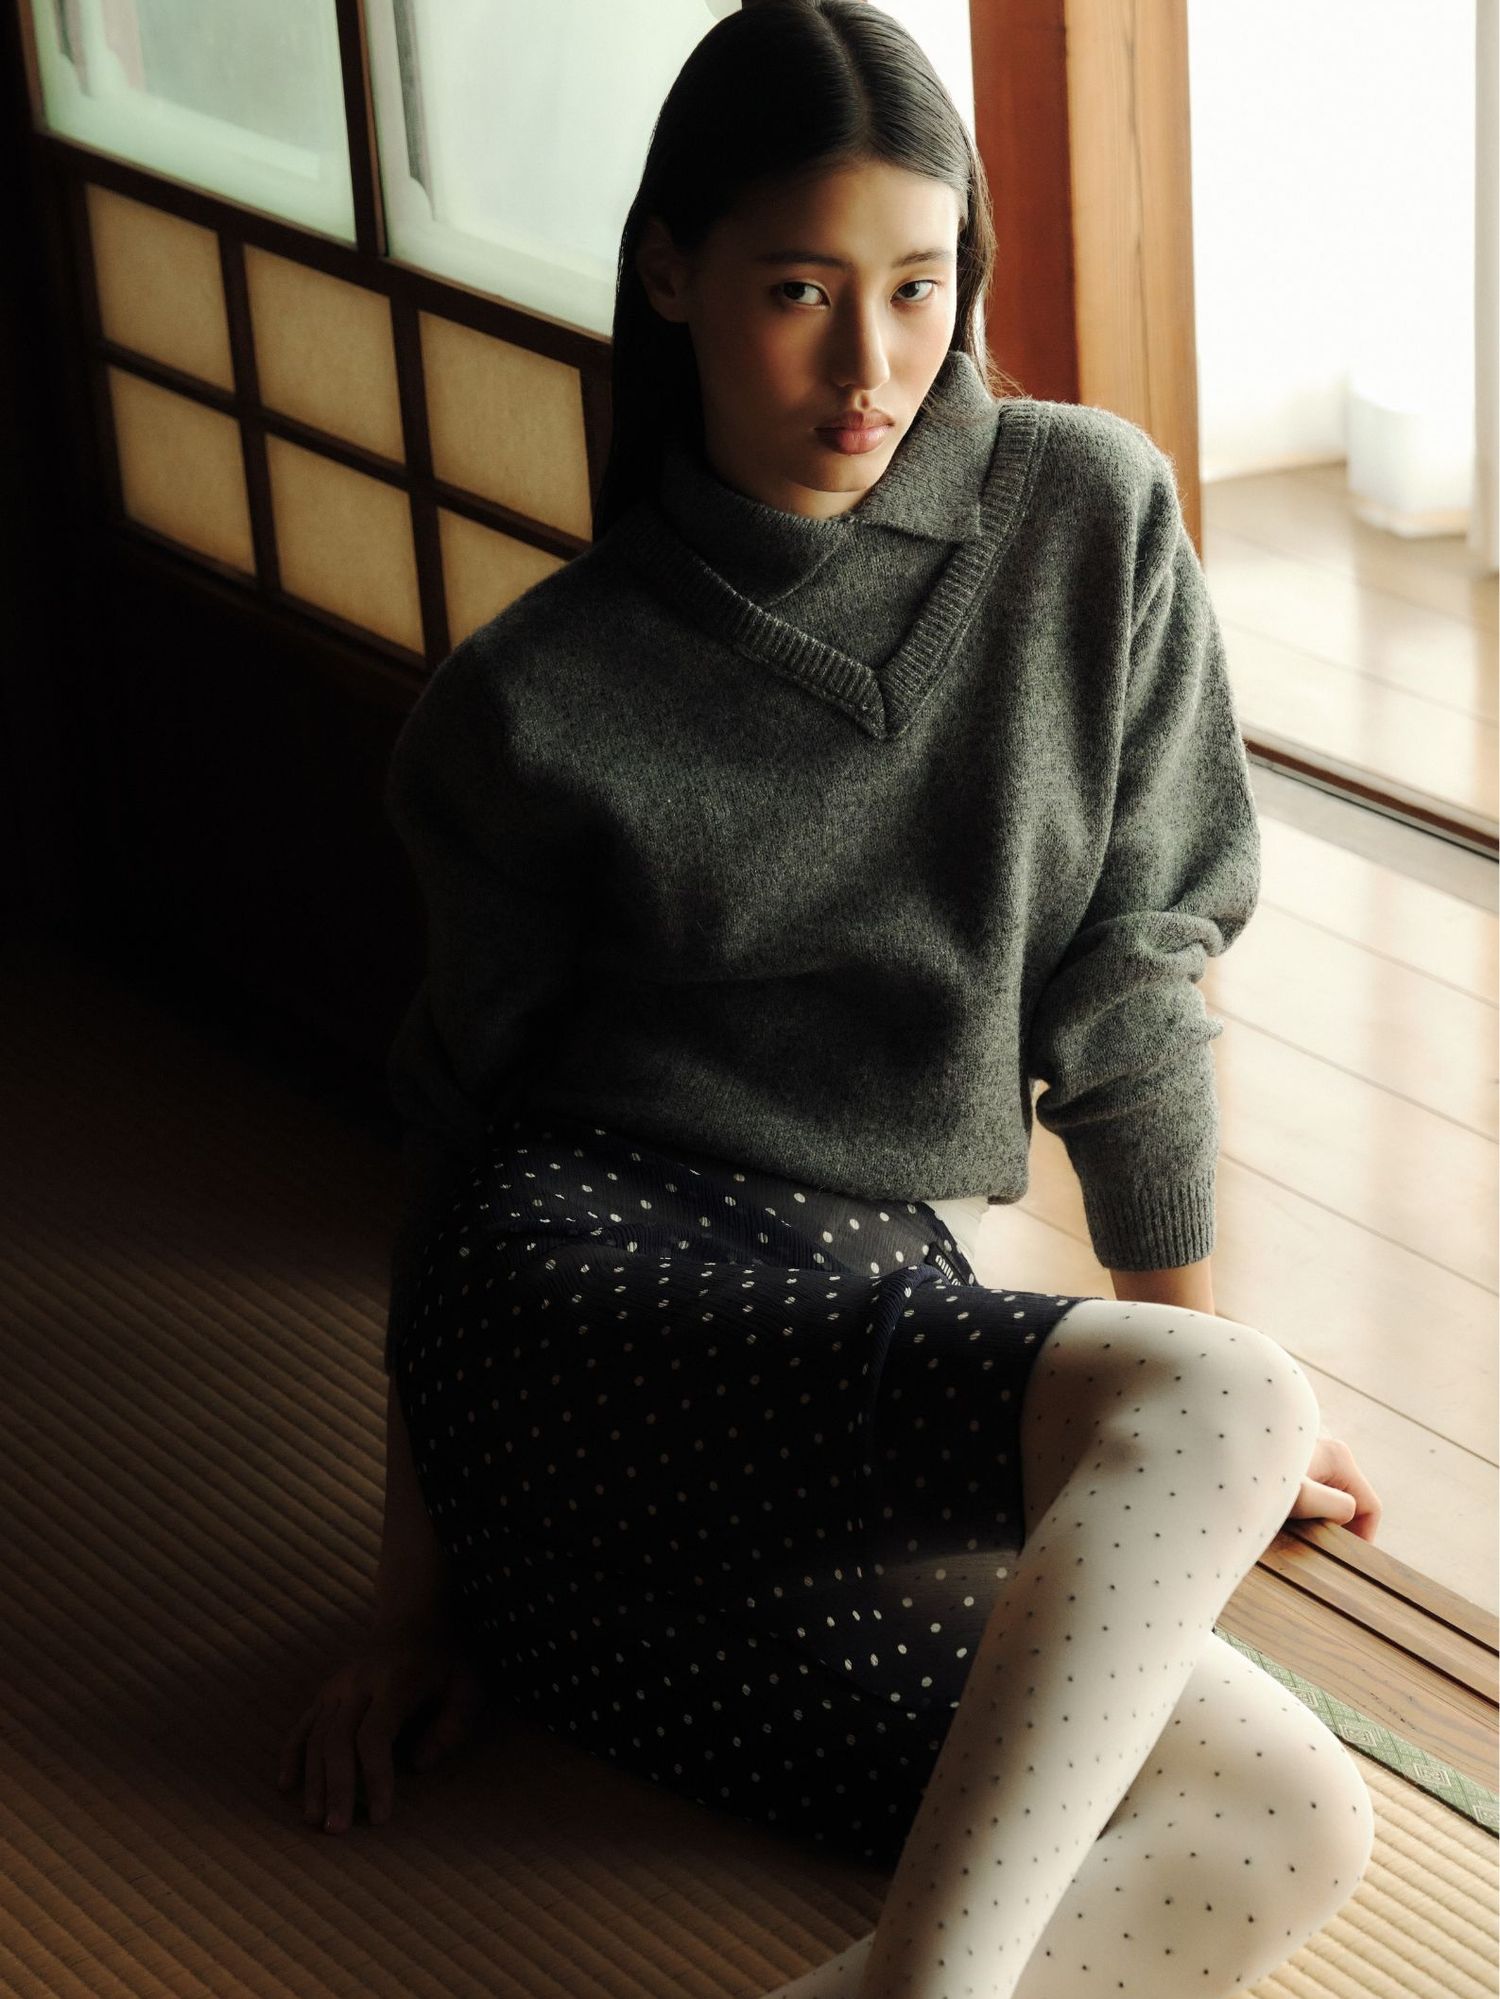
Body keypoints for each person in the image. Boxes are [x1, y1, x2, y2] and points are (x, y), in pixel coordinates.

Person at [279, 4, 1385, 1993]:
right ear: (673, 273)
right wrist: (402, 1603)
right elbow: (457, 1146)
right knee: (1221, 1420)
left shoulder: (1088, 520)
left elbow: (1134, 978)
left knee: (1290, 1815)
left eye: (919, 283)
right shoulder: (534, 701)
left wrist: (1147, 1418)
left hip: (852, 1335)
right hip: (579, 1321)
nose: (873, 366)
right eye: (799, 293)